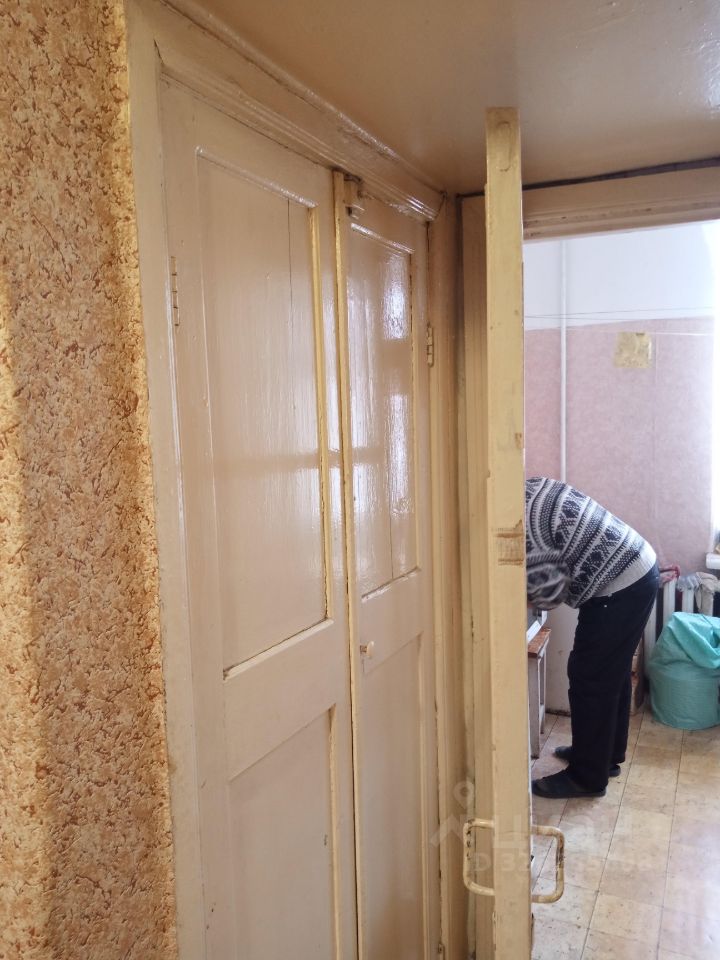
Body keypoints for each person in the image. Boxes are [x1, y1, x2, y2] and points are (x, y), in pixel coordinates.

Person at [526, 477, 659, 799]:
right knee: (609, 675)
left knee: (590, 678)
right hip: (637, 569)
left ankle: (586, 778)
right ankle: (605, 756)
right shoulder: (529, 489)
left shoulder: (523, 527)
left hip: (620, 586)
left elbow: (550, 594)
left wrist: (522, 595)